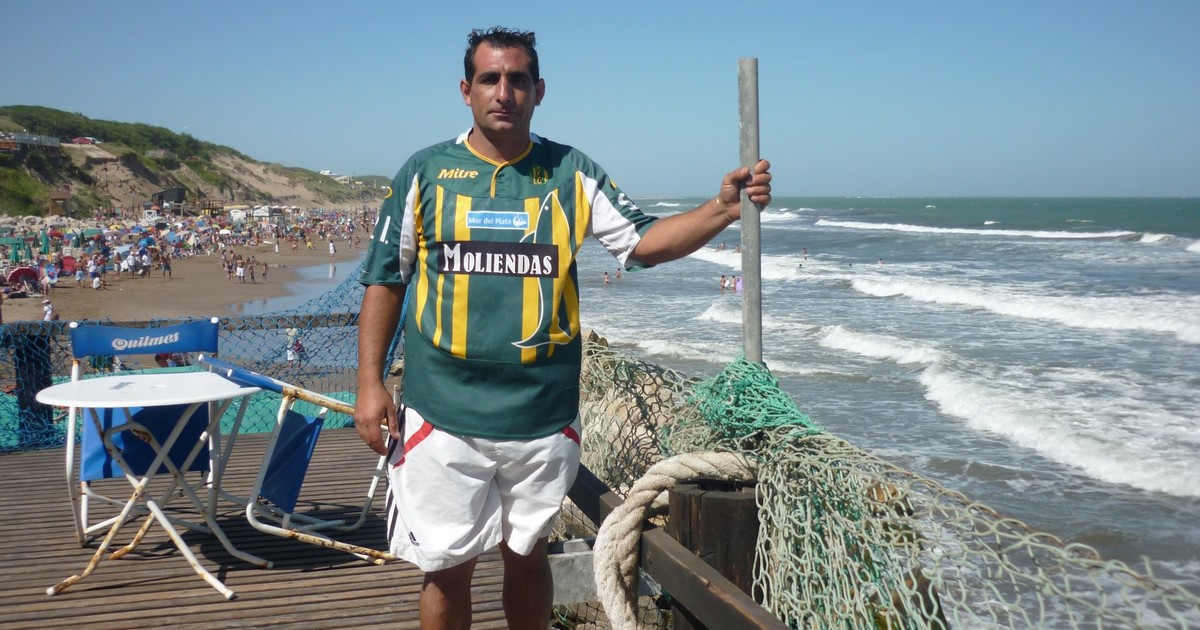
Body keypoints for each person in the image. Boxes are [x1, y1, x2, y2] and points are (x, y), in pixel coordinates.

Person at [353, 26, 771, 630]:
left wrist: (722, 209)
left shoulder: (571, 171)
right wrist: (369, 384)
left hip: (542, 419)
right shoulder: (425, 171)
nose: (504, 92)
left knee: (528, 561)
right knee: (446, 570)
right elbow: (386, 280)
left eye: (518, 80)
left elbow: (643, 243)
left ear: (539, 90)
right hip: (441, 417)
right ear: (466, 90)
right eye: (490, 79)